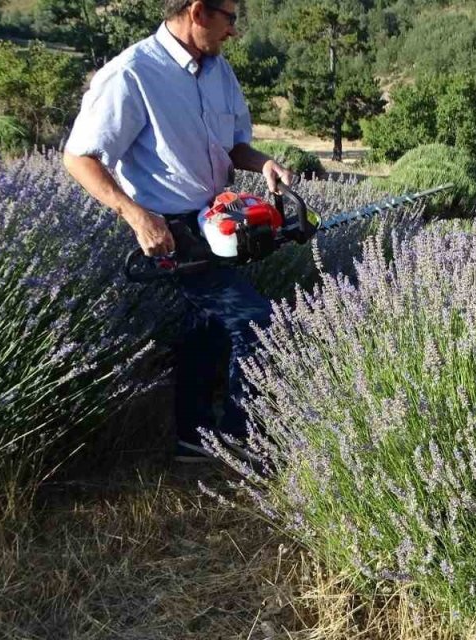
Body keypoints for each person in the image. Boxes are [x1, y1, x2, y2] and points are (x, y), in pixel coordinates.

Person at [62, 0, 295, 462]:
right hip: (171, 231)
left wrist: (262, 162)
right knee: (256, 318)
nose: (234, 31)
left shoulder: (219, 72)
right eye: (229, 18)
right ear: (197, 11)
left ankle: (192, 435)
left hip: (216, 219)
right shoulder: (131, 73)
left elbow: (234, 146)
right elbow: (79, 157)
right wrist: (135, 215)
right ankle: (239, 437)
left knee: (206, 326)